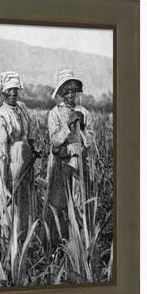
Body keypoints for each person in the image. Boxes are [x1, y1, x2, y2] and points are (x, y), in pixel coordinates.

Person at [0, 71, 38, 244]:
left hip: (25, 167)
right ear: (2, 93)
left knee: (23, 206)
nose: (13, 93)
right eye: (9, 90)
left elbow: (28, 135)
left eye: (15, 89)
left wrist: (32, 149)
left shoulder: (22, 109)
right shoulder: (1, 117)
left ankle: (24, 244)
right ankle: (5, 248)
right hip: (9, 169)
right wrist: (5, 183)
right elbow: (2, 153)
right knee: (8, 208)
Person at [45, 69, 95, 241]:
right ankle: (61, 242)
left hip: (80, 164)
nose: (70, 95)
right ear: (61, 94)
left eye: (73, 91)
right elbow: (55, 141)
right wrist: (68, 125)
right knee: (61, 203)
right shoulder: (55, 113)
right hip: (62, 164)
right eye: (66, 91)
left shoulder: (85, 113)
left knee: (80, 202)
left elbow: (90, 142)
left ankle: (80, 241)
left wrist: (81, 128)